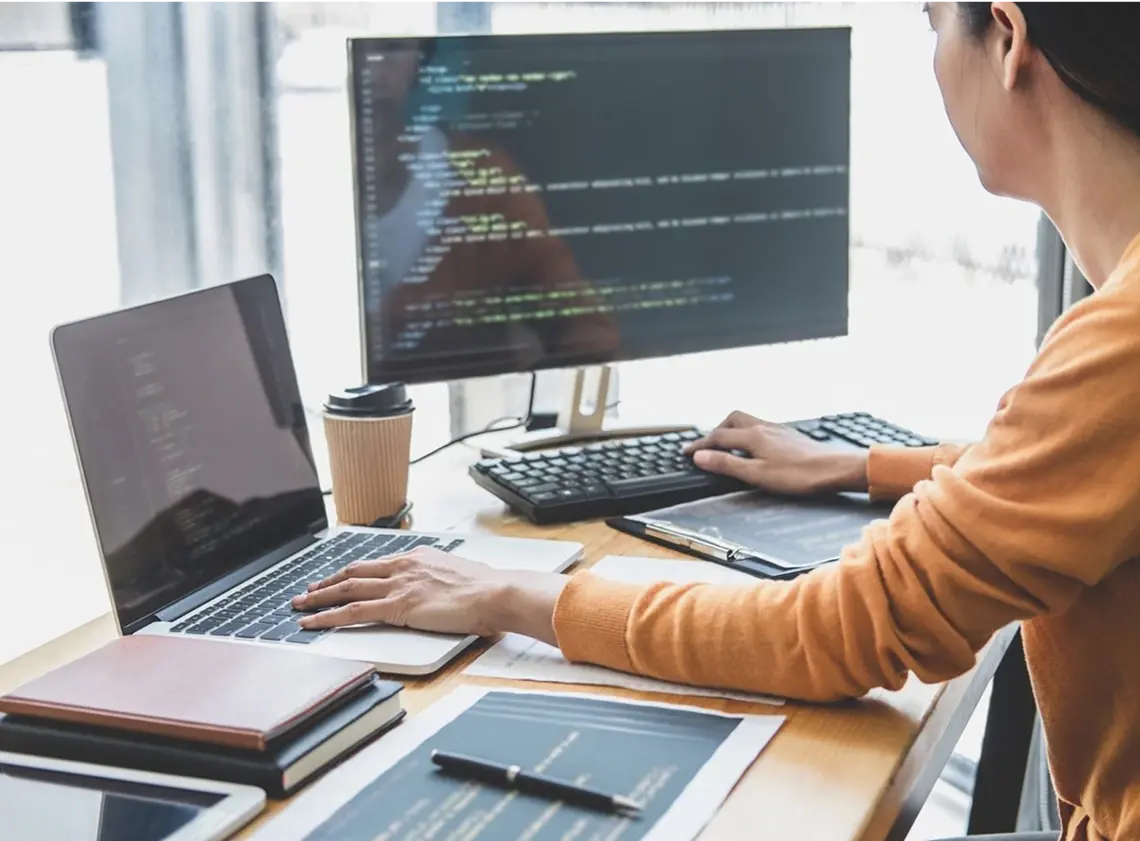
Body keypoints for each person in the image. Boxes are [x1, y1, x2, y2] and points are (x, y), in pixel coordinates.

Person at [295, 2, 1140, 839]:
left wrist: (510, 594)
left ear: (1008, 38)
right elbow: (1071, 460)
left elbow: (838, 630)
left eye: (929, 21)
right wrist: (855, 465)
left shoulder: (1121, 343)